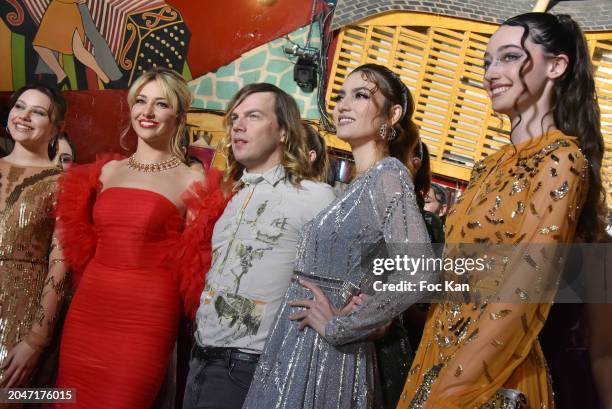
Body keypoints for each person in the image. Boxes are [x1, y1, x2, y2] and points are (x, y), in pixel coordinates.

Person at [397, 12, 606, 409]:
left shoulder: (562, 160)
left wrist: (452, 389)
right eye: (487, 61)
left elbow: (522, 292)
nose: (492, 72)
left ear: (556, 66)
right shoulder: (488, 165)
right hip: (438, 359)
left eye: (510, 57)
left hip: (494, 376)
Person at [243, 63, 436, 409]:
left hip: (327, 353)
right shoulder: (358, 185)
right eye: (340, 96)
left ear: (392, 115)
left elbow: (418, 270)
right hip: (300, 345)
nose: (342, 105)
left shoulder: (388, 175)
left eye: (361, 95)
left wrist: (345, 326)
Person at [54, 68, 227, 409]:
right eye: (141, 101)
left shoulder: (193, 179)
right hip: (89, 310)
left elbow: (196, 261)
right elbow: (76, 243)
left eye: (160, 104)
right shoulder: (105, 171)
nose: (147, 113)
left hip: (145, 318)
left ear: (178, 114)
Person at [182, 83, 335, 409]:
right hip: (201, 361)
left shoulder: (313, 196)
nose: (238, 124)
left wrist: (344, 320)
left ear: (283, 131)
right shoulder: (234, 195)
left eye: (253, 116)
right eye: (235, 117)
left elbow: (376, 265)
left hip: (249, 369)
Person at [0, 84, 68, 397]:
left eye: (38, 112)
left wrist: (37, 340)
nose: (24, 117)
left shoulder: (65, 183)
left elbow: (60, 263)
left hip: (19, 310)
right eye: (19, 107)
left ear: (56, 128)